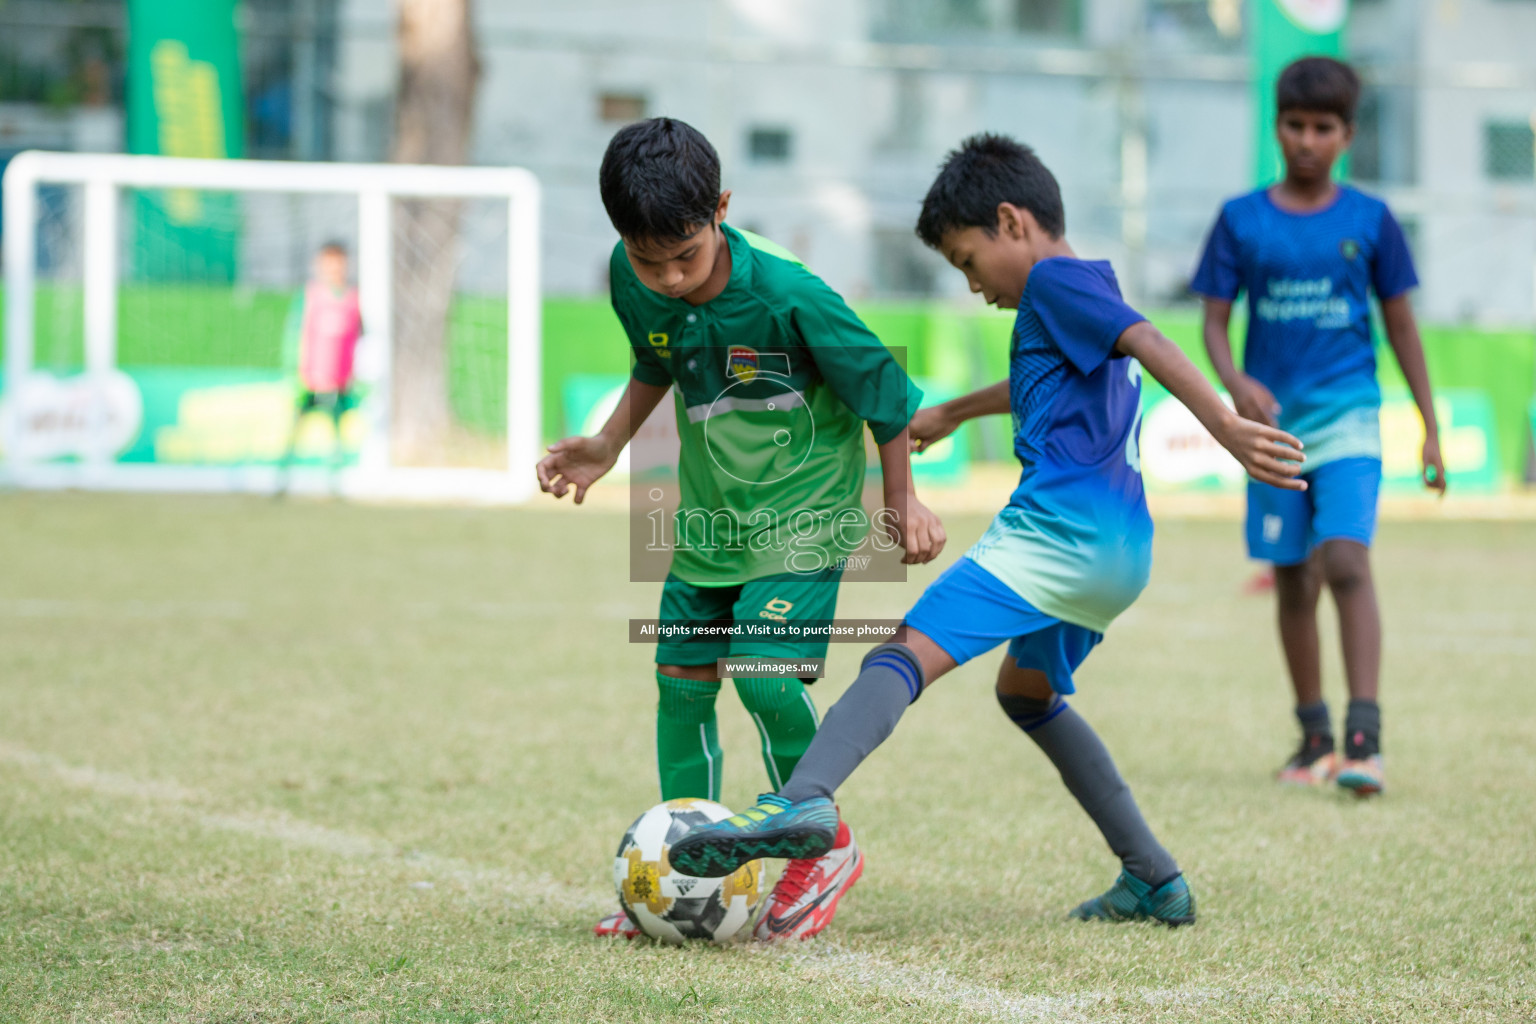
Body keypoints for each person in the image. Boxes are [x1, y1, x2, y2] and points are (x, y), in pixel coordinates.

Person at [669, 133, 1307, 926]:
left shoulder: (1052, 283)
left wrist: (1225, 422)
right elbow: (1046, 372)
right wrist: (952, 410)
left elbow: (1150, 338)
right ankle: (1153, 876)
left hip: (1056, 535)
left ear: (1012, 221)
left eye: (968, 262)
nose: (972, 286)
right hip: (1120, 554)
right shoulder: (1081, 290)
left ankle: (803, 801)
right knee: (1027, 695)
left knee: (903, 652)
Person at [535, 117, 945, 941]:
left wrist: (900, 499)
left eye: (683, 256)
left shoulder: (792, 294)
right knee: (680, 687)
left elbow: (886, 393)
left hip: (805, 517)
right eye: (648, 261)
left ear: (720, 208)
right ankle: (687, 873)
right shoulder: (634, 276)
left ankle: (821, 844)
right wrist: (609, 446)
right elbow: (657, 358)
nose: (668, 277)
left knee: (762, 677)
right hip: (709, 524)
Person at [1191, 57, 1444, 797]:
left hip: (1350, 418)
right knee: (1293, 579)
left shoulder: (1370, 219)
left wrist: (1430, 425)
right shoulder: (1242, 218)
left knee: (1346, 563)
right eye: (1295, 125)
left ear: (1348, 135)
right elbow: (1212, 322)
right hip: (1270, 432)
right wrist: (1235, 384)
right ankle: (1313, 741)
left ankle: (1365, 741)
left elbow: (1400, 323)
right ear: (1276, 128)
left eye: (1323, 127)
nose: (1307, 140)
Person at [278, 241, 362, 494]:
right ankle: (282, 481)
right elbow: (295, 335)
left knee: (337, 434)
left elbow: (361, 339)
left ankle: (335, 485)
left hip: (340, 381)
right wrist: (295, 373)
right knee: (296, 430)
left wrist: (358, 376)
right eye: (328, 264)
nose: (334, 270)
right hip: (310, 380)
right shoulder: (310, 297)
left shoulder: (353, 299)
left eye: (338, 265)